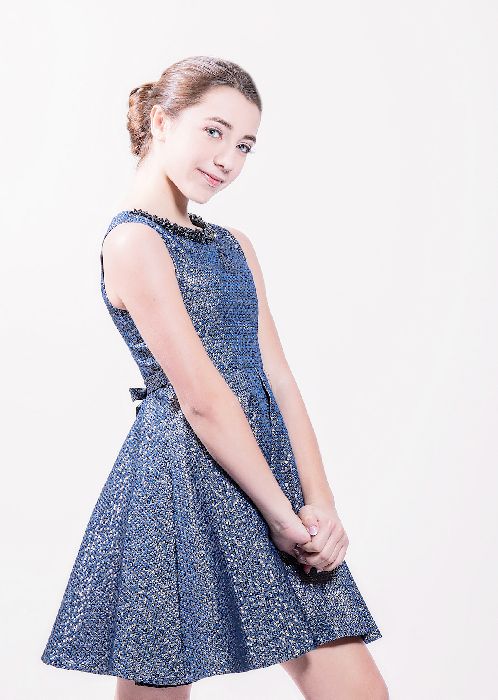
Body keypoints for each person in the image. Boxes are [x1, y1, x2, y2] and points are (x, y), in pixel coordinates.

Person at [41, 56, 388, 699]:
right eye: (214, 131)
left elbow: (278, 378)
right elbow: (201, 401)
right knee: (159, 684)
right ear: (161, 121)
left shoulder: (234, 246)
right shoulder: (133, 242)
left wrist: (320, 502)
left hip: (268, 477)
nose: (228, 159)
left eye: (245, 145)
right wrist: (283, 515)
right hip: (177, 487)